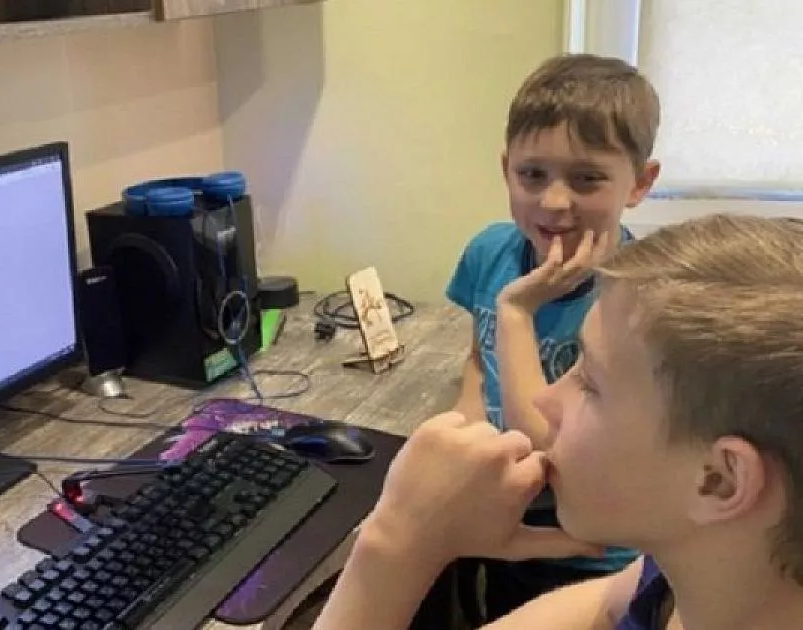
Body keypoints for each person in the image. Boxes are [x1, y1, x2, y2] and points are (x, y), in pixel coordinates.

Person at [315, 214, 803, 629]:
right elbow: (604, 603)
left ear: (718, 480)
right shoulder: (693, 575)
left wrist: (397, 544)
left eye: (589, 382)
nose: (546, 399)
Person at [446, 52, 662, 621]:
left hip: (590, 555)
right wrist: (467, 423)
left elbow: (552, 451)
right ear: (506, 170)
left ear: (640, 183)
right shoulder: (489, 253)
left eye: (587, 178)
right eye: (532, 175)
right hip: (503, 522)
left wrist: (518, 312)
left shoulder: (638, 300)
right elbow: (479, 356)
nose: (554, 201)